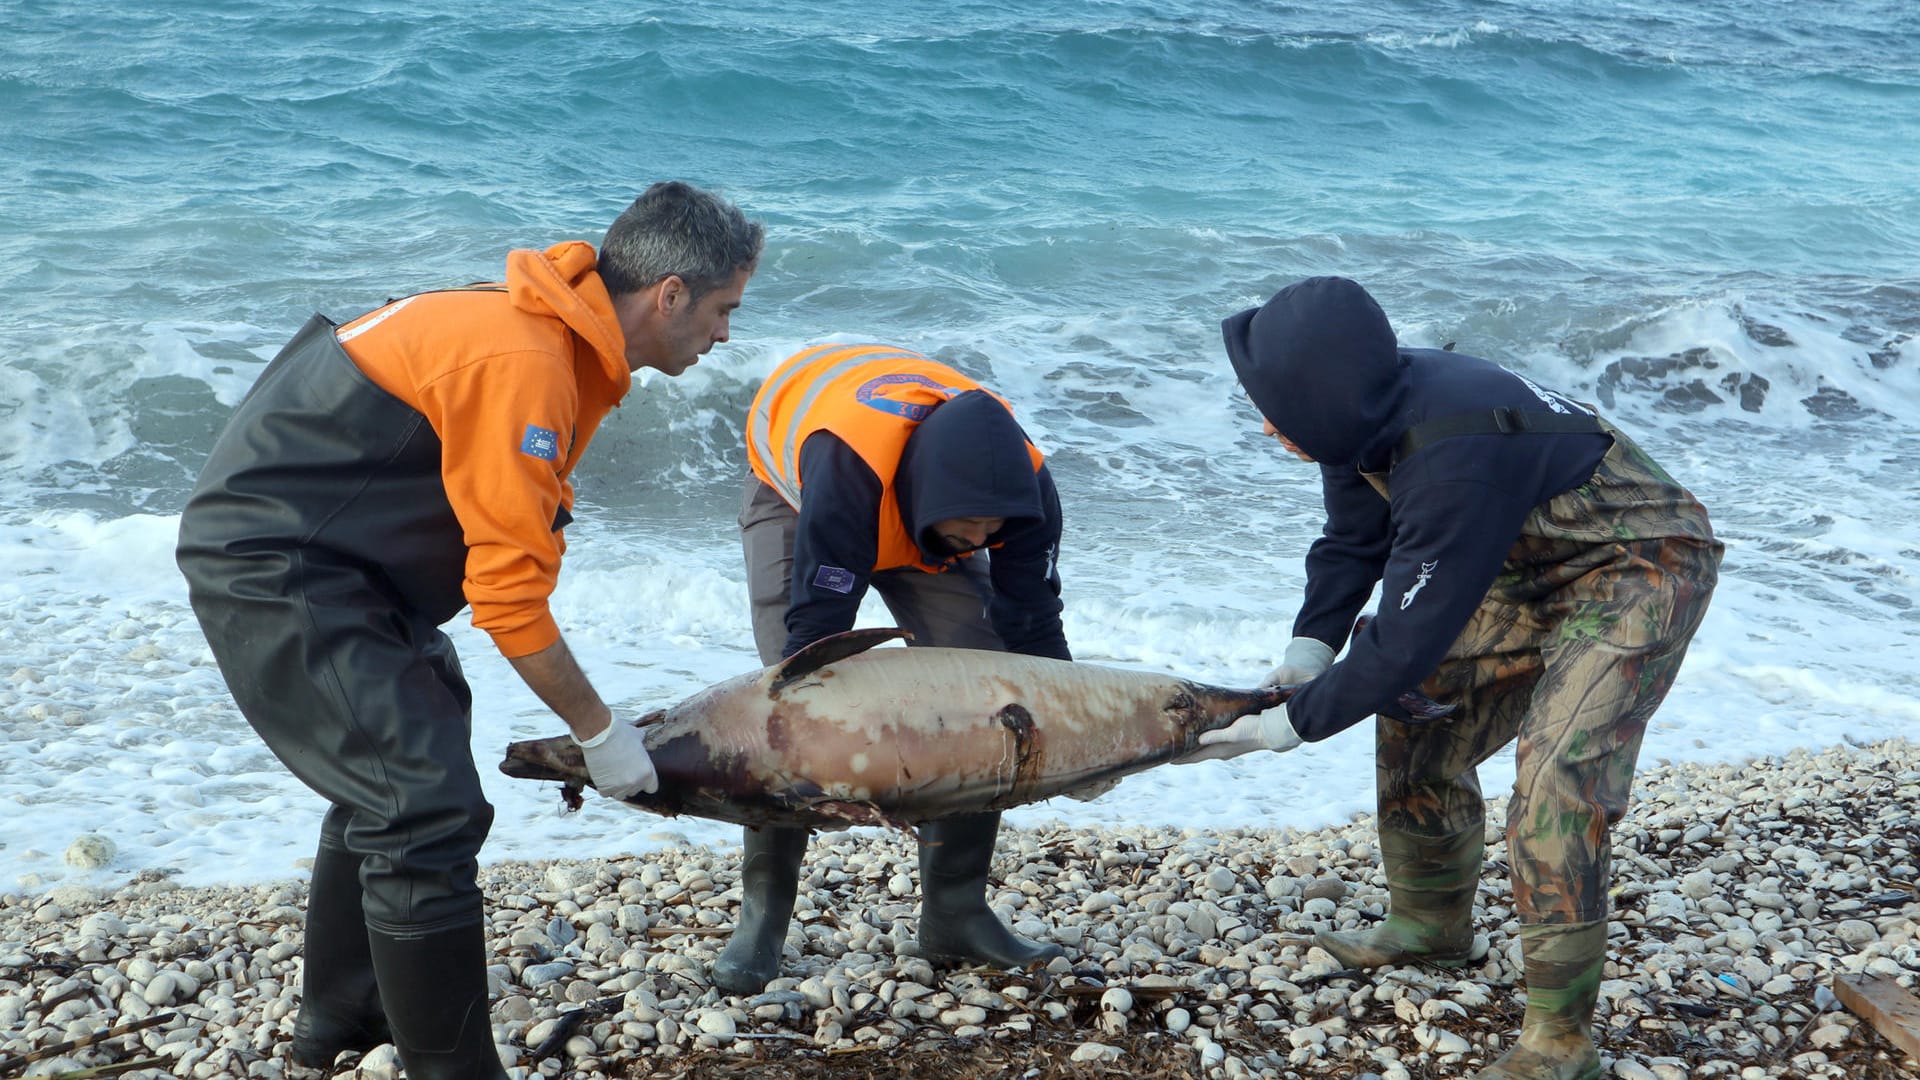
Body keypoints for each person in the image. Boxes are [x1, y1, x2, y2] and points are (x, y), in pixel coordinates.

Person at [175, 182, 762, 1078]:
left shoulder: (559, 342)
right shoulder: (525, 358)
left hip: (356, 562)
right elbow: (509, 601)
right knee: (424, 804)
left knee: (406, 756)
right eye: (724, 309)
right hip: (280, 559)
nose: (726, 334)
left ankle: (340, 1023)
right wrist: (601, 736)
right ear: (670, 292)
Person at [1195, 277, 1722, 1080]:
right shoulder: (1359, 412)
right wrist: (1307, 653)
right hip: (1515, 561)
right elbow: (1350, 541)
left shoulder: (1449, 457)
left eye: (1280, 408)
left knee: (1556, 781)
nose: (1269, 426)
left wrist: (1278, 730)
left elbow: (1404, 638)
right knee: (1421, 710)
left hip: (1638, 566)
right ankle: (1430, 925)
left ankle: (1560, 1039)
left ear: (1323, 398)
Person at [713, 342, 1072, 994]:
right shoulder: (849, 472)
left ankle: (955, 911)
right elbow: (816, 639)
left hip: (921, 501)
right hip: (801, 495)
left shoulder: (1023, 493)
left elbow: (1036, 630)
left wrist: (1069, 740)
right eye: (972, 529)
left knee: (986, 688)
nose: (983, 540)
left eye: (994, 531)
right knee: (795, 704)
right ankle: (764, 911)